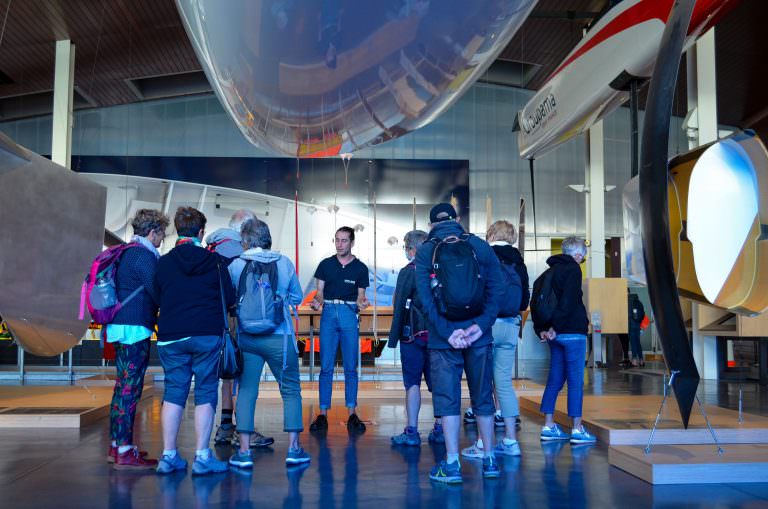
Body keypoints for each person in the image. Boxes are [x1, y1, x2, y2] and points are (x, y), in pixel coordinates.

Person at [415, 203, 505, 483]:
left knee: (448, 399)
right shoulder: (478, 245)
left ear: (431, 225)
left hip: (444, 340)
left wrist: (447, 332)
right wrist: (480, 326)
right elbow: (498, 288)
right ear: (458, 220)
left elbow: (426, 301)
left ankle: (452, 465)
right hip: (479, 336)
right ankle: (490, 459)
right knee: (482, 396)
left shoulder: (426, 251)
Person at [154, 207, 235, 475]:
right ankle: (202, 457)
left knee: (174, 391)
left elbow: (155, 297)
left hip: (171, 335)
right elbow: (231, 299)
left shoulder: (163, 263)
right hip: (206, 334)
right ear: (201, 232)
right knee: (205, 391)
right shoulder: (215, 262)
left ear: (178, 230)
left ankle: (168, 456)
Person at [226, 218, 310, 468]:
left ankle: (243, 451)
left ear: (245, 240)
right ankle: (294, 449)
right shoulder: (283, 263)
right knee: (291, 390)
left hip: (247, 337)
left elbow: (231, 300)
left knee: (247, 390)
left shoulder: (236, 265)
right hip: (279, 337)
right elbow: (297, 296)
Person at [206, 209, 274, 449]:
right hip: (235, 320)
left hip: (213, 320)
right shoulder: (238, 252)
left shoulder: (213, 247)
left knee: (227, 373)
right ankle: (243, 430)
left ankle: (225, 427)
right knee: (244, 377)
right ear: (244, 230)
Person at [107, 209, 169, 469]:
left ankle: (117, 445)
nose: (162, 239)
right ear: (152, 231)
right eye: (161, 234)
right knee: (130, 389)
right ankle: (123, 449)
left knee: (123, 388)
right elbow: (157, 290)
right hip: (134, 329)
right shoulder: (143, 256)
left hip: (122, 325)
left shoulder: (126, 252)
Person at [462, 220, 525, 460]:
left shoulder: (483, 255)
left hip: (486, 326)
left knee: (482, 385)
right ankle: (510, 441)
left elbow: (476, 292)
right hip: (511, 325)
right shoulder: (519, 262)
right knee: (504, 384)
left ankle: (481, 442)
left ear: (490, 234)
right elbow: (524, 299)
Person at [534, 236, 596, 444]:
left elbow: (536, 301)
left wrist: (543, 329)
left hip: (555, 336)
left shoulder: (547, 273)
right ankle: (577, 429)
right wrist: (555, 327)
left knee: (555, 380)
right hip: (572, 333)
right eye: (583, 257)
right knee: (575, 381)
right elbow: (568, 302)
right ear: (578, 254)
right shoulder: (572, 270)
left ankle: (548, 425)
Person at [309, 226, 370, 433]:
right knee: (325, 367)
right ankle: (323, 414)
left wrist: (362, 302)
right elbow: (319, 292)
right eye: (337, 240)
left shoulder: (360, 268)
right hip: (328, 314)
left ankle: (352, 413)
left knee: (350, 367)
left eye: (344, 240)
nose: (339, 244)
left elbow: (361, 296)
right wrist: (317, 302)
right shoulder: (325, 265)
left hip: (348, 314)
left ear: (352, 243)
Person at [388, 230, 443, 446]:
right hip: (438, 336)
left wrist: (394, 337)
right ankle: (439, 428)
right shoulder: (439, 270)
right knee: (438, 383)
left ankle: (412, 431)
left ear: (411, 249)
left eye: (405, 247)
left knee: (412, 383)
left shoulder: (408, 271)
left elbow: (399, 304)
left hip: (412, 335)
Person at [627, 291, 646, 367]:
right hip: (638, 326)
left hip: (631, 325)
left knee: (633, 343)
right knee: (638, 343)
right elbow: (643, 314)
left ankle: (634, 360)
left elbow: (629, 315)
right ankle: (641, 360)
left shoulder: (629, 302)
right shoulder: (639, 303)